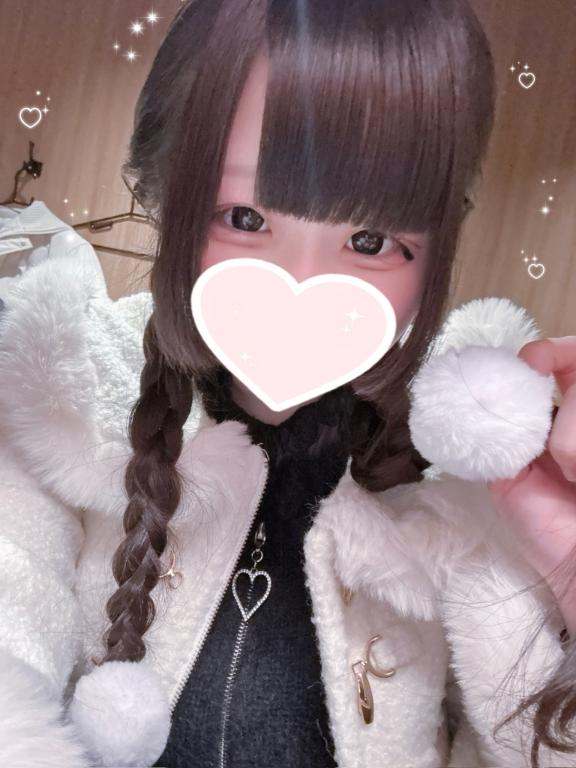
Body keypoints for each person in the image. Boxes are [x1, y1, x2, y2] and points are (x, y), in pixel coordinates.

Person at [0, 1, 575, 766]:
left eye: (370, 239)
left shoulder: (469, 471)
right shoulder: (64, 393)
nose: (301, 283)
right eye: (243, 217)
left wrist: (565, 568)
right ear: (159, 193)